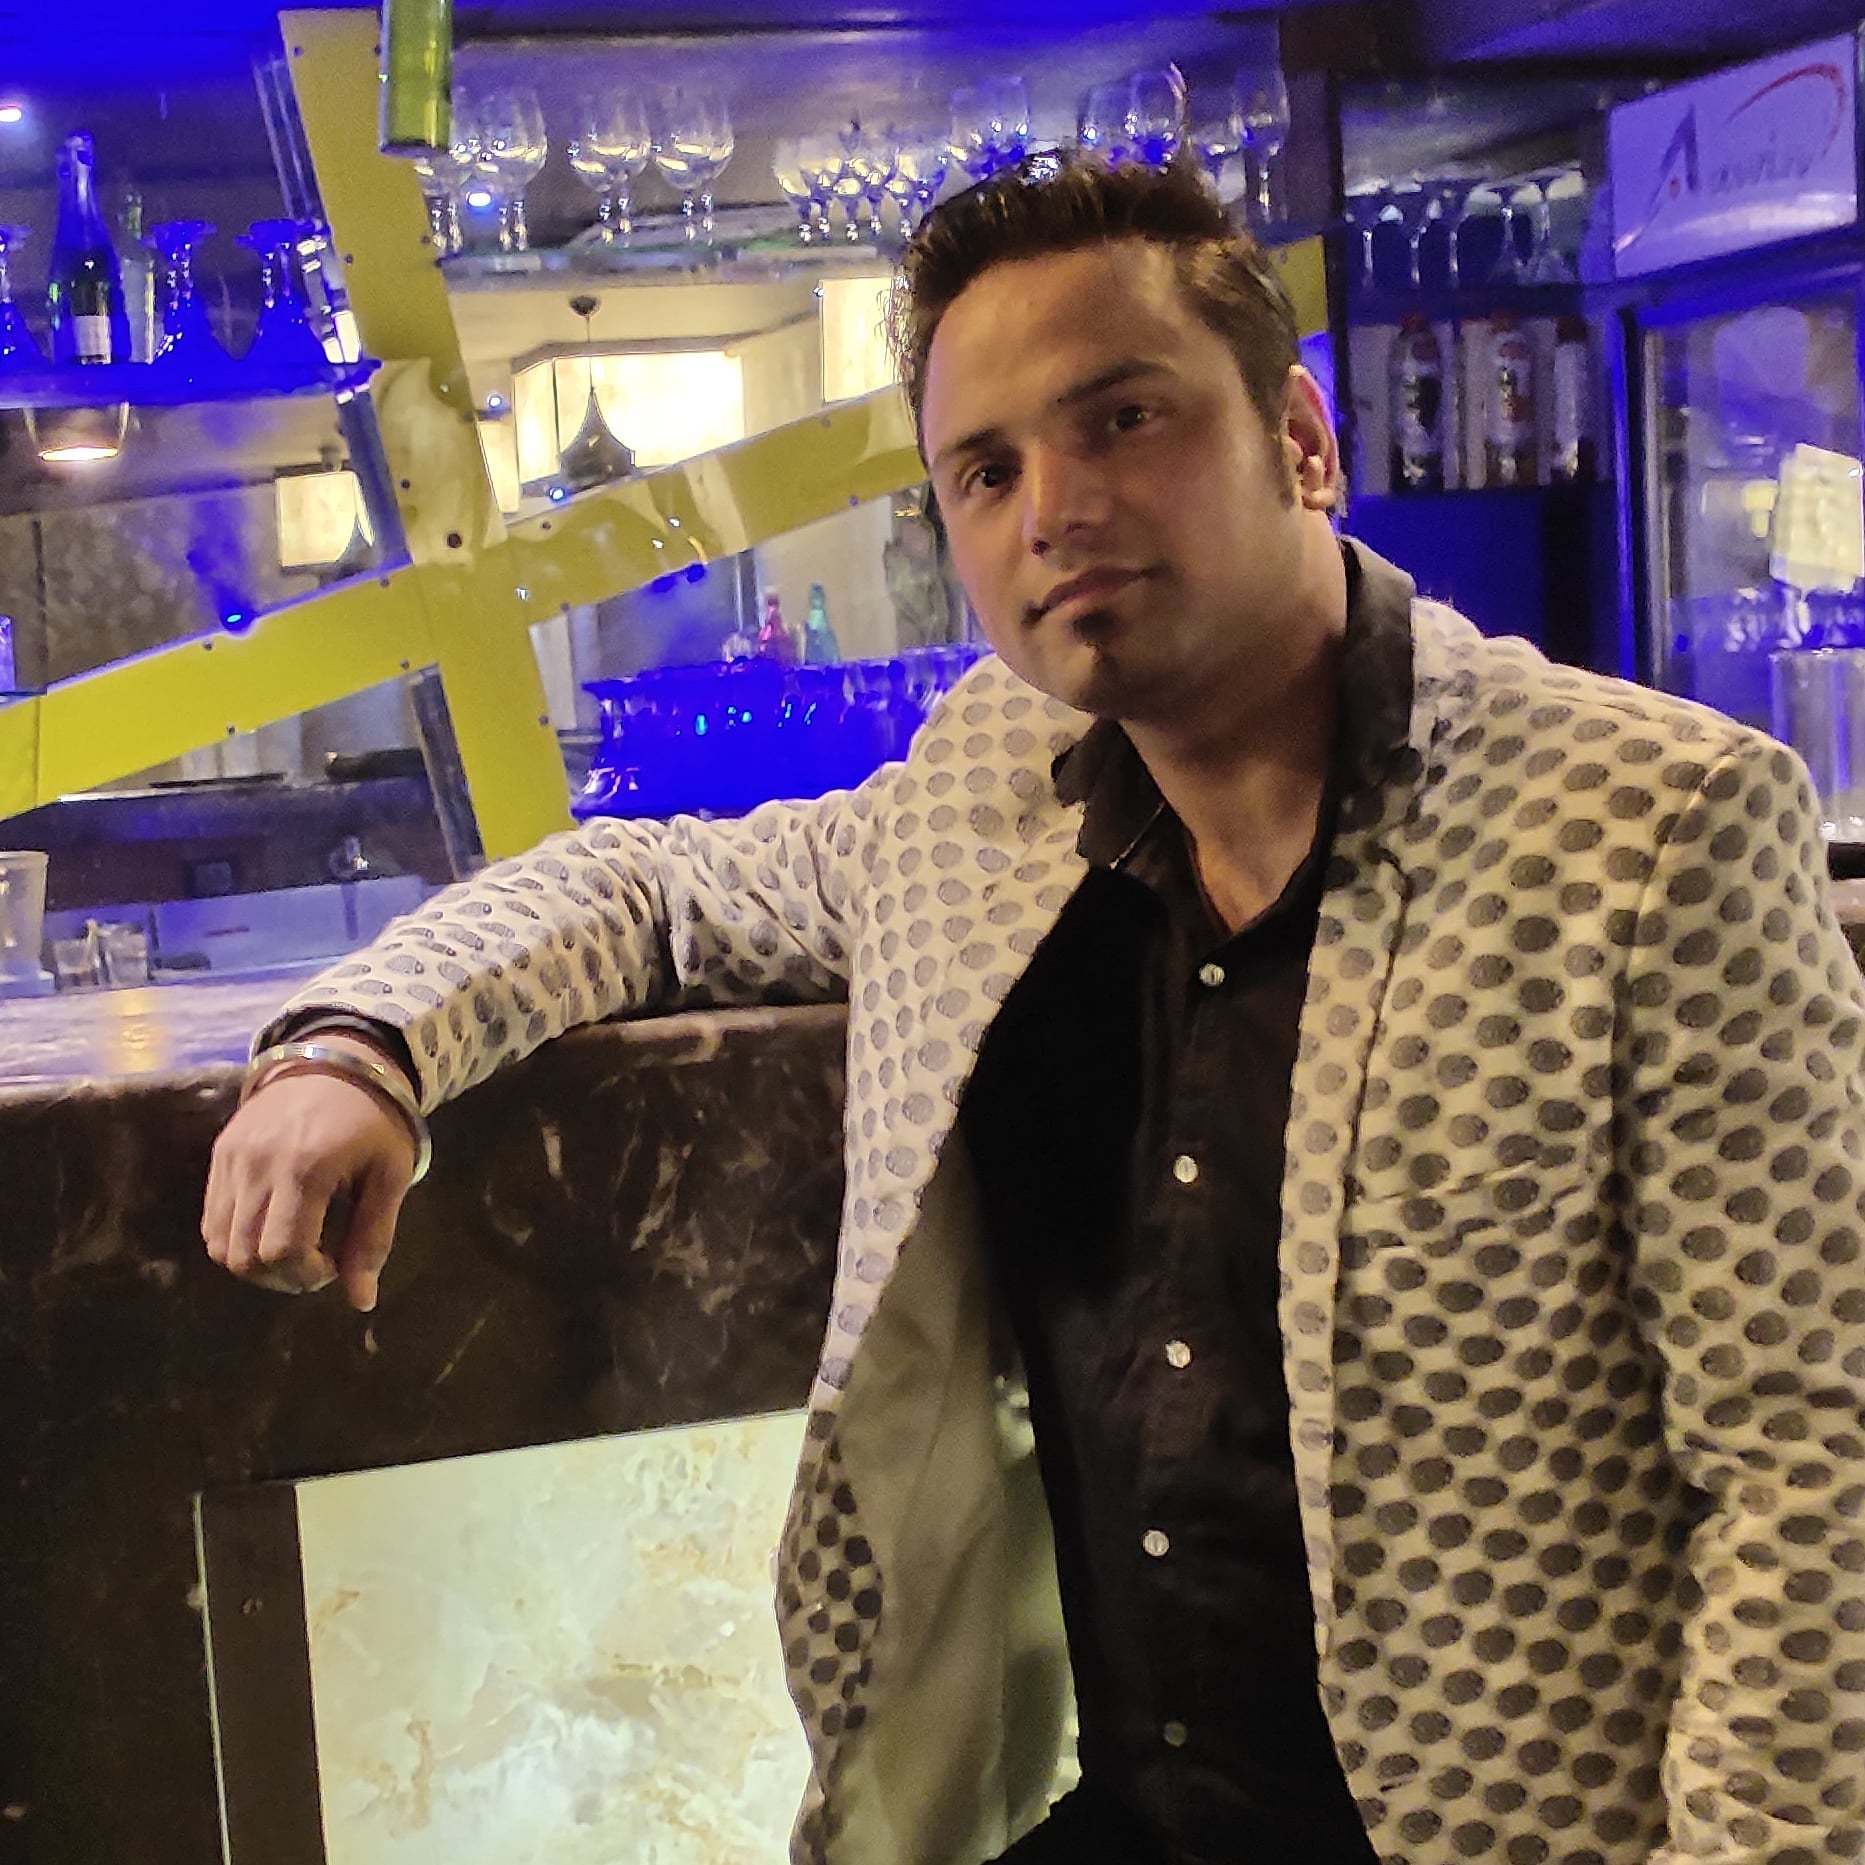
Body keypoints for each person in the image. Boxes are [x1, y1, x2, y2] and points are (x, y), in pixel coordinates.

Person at [203, 154, 1865, 1865]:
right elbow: (653, 888)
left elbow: (1811, 1465)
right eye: (984, 471)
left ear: (1299, 437)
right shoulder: (987, 807)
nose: (1051, 511)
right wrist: (361, 1048)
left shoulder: (1650, 824)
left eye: (1121, 420)